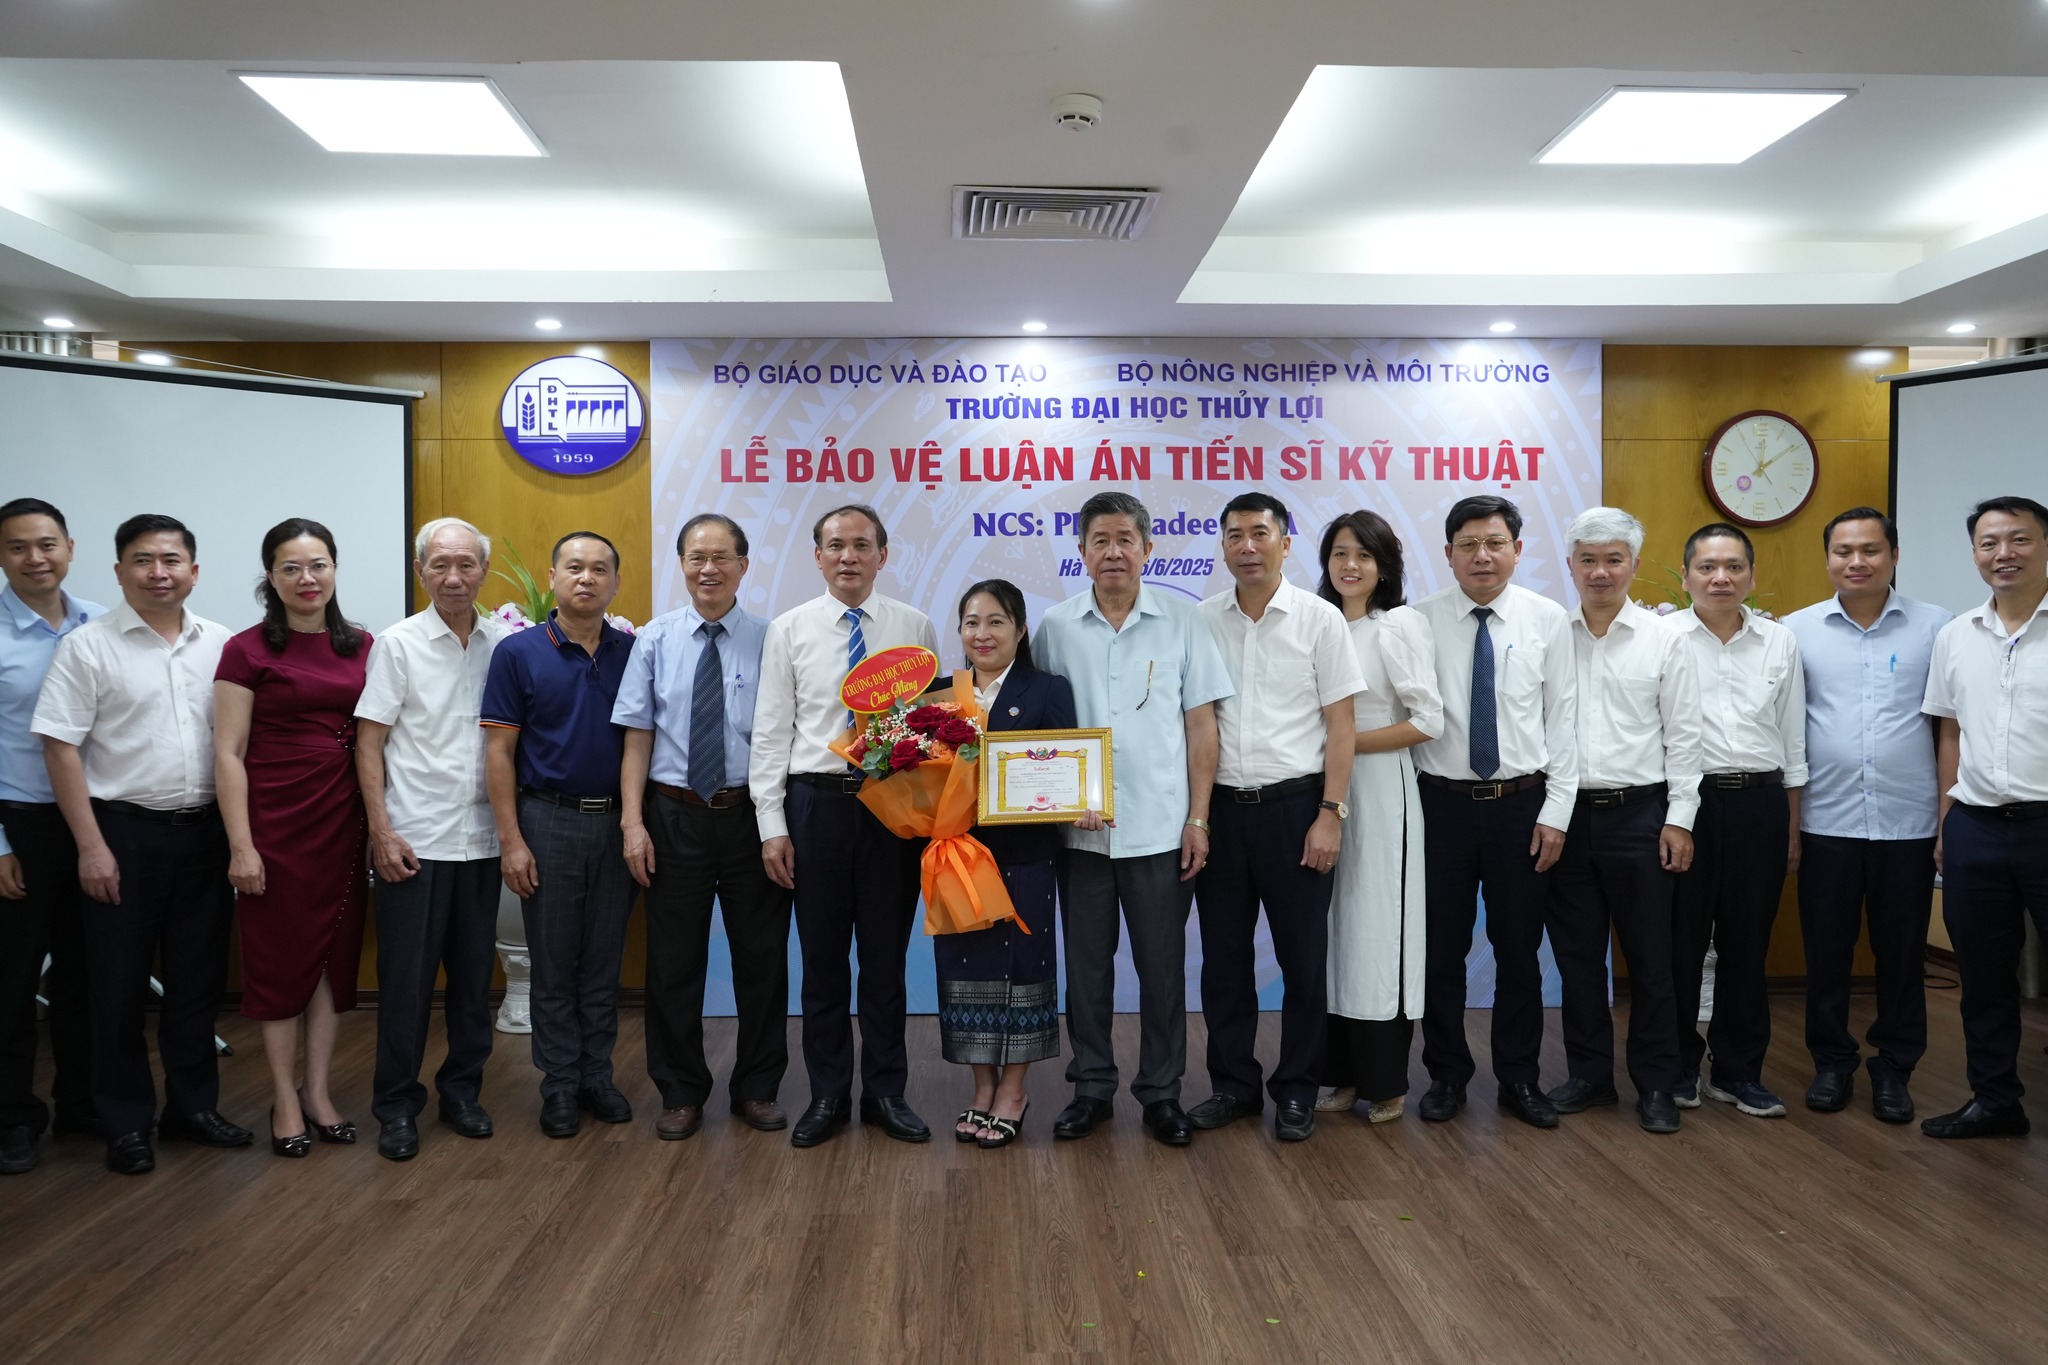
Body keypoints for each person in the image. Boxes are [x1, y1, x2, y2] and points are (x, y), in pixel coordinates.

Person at [32, 514, 247, 1174]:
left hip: (205, 834)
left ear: (194, 571)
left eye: (172, 560)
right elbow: (60, 749)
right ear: (120, 571)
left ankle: (191, 1109)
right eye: (144, 560)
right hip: (121, 834)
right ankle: (125, 1122)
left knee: (197, 982)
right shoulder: (88, 647)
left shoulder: (222, 644)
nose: (159, 572)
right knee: (117, 989)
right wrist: (91, 847)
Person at [1034, 491, 1234, 1147]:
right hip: (1079, 834)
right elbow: (1038, 730)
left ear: (1148, 548)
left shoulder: (1182, 621)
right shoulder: (1055, 627)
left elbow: (1202, 727)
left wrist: (1199, 818)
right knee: (1087, 971)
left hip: (1160, 830)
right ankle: (1091, 1087)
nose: (1114, 552)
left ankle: (1162, 1092)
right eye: (1100, 540)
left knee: (1162, 970)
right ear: (1081, 551)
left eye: (1126, 539)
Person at [750, 504, 939, 1148]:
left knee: (886, 961)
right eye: (835, 546)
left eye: (862, 546)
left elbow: (929, 728)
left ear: (884, 556)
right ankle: (827, 1093)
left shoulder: (913, 626)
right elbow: (771, 733)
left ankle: (886, 1092)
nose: (848, 557)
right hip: (816, 807)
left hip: (890, 807)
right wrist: (772, 827)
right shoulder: (789, 629)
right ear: (818, 556)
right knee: (823, 962)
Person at [1191, 493, 1361, 1143]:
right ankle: (1233, 1086)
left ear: (1285, 543)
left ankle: (1297, 1088)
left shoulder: (1321, 619)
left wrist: (1331, 813)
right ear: (1223, 547)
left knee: (1303, 961)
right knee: (1223, 961)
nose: (1247, 546)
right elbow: (1197, 723)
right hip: (1222, 812)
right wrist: (1198, 818)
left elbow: (1341, 726)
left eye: (1260, 533)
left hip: (1297, 810)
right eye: (1234, 535)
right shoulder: (1202, 620)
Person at [616, 513, 791, 1141]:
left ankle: (758, 1088)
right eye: (696, 557)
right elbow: (637, 737)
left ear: (743, 566)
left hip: (751, 815)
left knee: (762, 960)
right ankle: (680, 1090)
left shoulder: (774, 639)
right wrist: (633, 824)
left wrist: (776, 823)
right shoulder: (654, 640)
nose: (708, 568)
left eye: (721, 557)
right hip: (673, 816)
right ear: (683, 566)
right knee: (673, 963)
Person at [1410, 494, 1578, 1129]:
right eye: (1468, 545)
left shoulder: (1548, 620)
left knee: (1519, 949)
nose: (1482, 556)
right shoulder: (1417, 622)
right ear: (1448, 553)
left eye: (1495, 543)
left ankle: (1520, 1078)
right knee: (1442, 951)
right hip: (1441, 806)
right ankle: (1446, 1074)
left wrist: (1556, 813)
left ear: (1517, 549)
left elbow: (1564, 723)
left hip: (1522, 807)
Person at [1784, 506, 1949, 1124]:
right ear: (1828, 558)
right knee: (1826, 953)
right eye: (1844, 551)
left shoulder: (1937, 628)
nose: (1857, 562)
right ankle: (1831, 1063)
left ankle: (1894, 1068)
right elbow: (1786, 730)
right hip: (1825, 820)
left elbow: (1952, 728)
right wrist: (1791, 824)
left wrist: (1946, 820)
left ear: (1894, 556)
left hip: (1908, 822)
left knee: (1902, 956)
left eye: (1871, 550)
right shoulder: (1796, 631)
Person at [212, 519, 371, 1158]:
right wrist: (241, 846)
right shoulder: (245, 650)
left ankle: (318, 1091)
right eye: (291, 568)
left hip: (343, 820)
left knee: (332, 959)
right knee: (280, 965)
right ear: (271, 577)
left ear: (334, 569)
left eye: (318, 565)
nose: (307, 579)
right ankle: (282, 1098)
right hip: (275, 826)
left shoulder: (363, 645)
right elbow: (228, 753)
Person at [355, 516, 511, 1161]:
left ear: (484, 571)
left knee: (474, 984)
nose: (453, 577)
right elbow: (369, 741)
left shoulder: (505, 644)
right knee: (407, 985)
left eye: (466, 564)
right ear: (421, 572)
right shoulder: (397, 644)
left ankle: (462, 1092)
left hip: (483, 841)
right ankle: (396, 1105)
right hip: (414, 841)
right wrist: (381, 831)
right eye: (440, 565)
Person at [1543, 507, 1700, 1135]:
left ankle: (1658, 1083)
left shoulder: (1665, 639)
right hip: (1565, 817)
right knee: (1578, 959)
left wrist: (1680, 819)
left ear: (1633, 564)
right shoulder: (1550, 636)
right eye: (1588, 559)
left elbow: (1685, 737)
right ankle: (1590, 1077)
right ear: (1571, 565)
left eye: (1613, 559)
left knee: (1652, 960)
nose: (1600, 572)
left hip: (1642, 817)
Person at [481, 531, 636, 1140]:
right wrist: (511, 840)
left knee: (603, 961)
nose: (586, 578)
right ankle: (560, 1084)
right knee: (552, 961)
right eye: (574, 567)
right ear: (552, 578)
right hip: (547, 820)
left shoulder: (632, 652)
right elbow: (499, 752)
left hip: (617, 822)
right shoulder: (518, 652)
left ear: (615, 582)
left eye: (599, 569)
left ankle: (598, 1075)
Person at [1920, 494, 2048, 1139]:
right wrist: (1948, 821)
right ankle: (1996, 1101)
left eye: (2019, 539)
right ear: (1974, 554)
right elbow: (1950, 732)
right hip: (1976, 824)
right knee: (1984, 975)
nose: (2004, 554)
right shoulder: (1956, 635)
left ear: (2045, 546)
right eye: (1989, 543)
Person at [1669, 522, 1807, 1119]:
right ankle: (1676, 1066)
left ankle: (1738, 1071)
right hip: (1685, 805)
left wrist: (1791, 827)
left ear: (1751, 576)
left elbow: (1793, 741)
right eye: (1707, 567)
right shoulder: (1662, 639)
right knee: (1679, 942)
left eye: (1733, 567)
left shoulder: (1780, 642)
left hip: (1760, 804)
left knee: (1748, 944)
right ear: (1685, 577)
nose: (1720, 578)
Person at [1313, 509, 1442, 1126]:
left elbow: (1428, 720)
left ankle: (1385, 1080)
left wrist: (1344, 745)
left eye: (1364, 555)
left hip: (1381, 792)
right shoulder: (1316, 622)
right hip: (1317, 794)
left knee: (1376, 933)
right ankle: (1339, 1074)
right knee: (1330, 935)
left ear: (1384, 566)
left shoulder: (1397, 625)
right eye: (1340, 553)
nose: (1350, 565)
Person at [935, 578, 1073, 1148]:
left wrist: (1082, 800)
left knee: (1024, 968)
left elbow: (1066, 767)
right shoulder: (941, 694)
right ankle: (982, 1087)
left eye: (996, 621)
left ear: (1020, 630)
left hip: (1025, 857)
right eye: (972, 622)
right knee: (966, 969)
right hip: (958, 858)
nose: (983, 633)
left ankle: (1013, 1090)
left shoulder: (1047, 689)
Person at [0, 499, 105, 1175]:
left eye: (46, 544)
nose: (35, 558)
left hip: (96, 822)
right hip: (20, 824)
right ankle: (13, 1117)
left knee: (86, 974)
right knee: (12, 983)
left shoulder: (102, 622)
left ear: (69, 547)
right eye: (17, 547)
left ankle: (81, 1103)